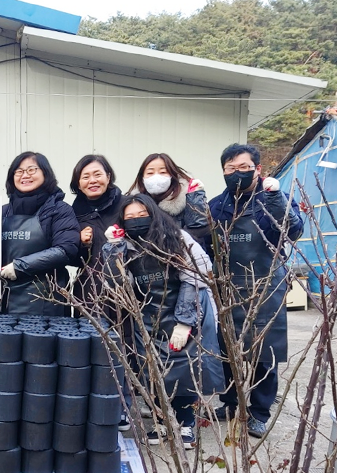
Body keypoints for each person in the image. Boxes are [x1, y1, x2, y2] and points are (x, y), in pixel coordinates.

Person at [103, 194, 224, 448]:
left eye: (141, 216)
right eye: (130, 218)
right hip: (147, 317)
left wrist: (185, 322)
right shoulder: (124, 245)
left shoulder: (177, 239)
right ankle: (161, 422)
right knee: (152, 372)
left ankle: (187, 423)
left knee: (184, 371)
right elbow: (117, 284)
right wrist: (112, 249)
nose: (137, 221)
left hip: (181, 311)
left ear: (154, 215)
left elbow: (195, 276)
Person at [208, 143, 303, 437]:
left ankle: (259, 411)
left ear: (257, 169)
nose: (236, 173)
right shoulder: (217, 205)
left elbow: (294, 230)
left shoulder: (274, 198)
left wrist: (275, 199)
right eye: (230, 168)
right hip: (229, 285)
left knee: (265, 350)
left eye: (243, 167)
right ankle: (230, 401)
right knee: (227, 348)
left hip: (266, 283)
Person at [0, 151, 80, 315]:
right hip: (3, 304)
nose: (24, 175)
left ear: (45, 174)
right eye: (19, 171)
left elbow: (66, 249)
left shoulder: (59, 209)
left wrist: (20, 266)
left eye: (31, 170)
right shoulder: (2, 212)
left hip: (44, 302)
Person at [69, 154, 123, 307]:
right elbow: (71, 258)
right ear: (78, 184)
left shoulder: (127, 207)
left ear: (108, 176)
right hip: (89, 291)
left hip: (125, 288)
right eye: (85, 177)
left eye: (97, 174)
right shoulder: (72, 215)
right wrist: (82, 244)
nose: (92, 180)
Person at [127, 153, 209, 245]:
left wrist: (196, 198)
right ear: (142, 177)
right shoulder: (133, 203)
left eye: (163, 172)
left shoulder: (188, 198)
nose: (156, 177)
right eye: (150, 173)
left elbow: (200, 230)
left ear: (172, 175)